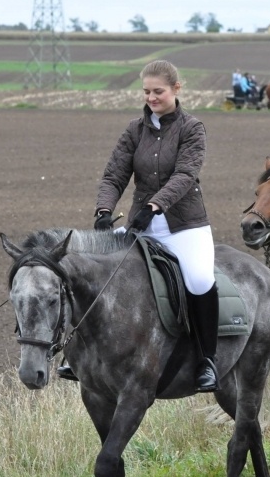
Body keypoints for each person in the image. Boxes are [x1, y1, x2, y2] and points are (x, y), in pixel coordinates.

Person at [58, 60, 221, 393]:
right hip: (140, 225)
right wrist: (104, 210)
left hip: (184, 226)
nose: (151, 97)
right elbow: (114, 174)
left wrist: (154, 205)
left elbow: (185, 175)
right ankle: (79, 354)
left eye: (158, 91)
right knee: (92, 268)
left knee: (201, 280)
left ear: (177, 89)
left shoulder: (192, 128)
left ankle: (207, 360)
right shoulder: (134, 130)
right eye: (146, 92)